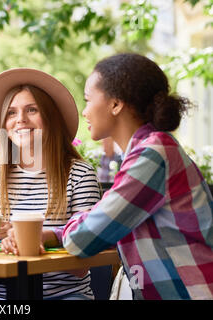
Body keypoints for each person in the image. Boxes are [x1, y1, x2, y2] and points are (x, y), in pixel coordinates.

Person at [58, 53, 213, 299]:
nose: (85, 111)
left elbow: (83, 239)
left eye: (88, 100)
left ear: (116, 104)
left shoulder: (153, 155)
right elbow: (110, 223)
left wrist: (62, 233)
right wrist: (52, 235)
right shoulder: (149, 150)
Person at [0, 68, 101, 300]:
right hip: (3, 298)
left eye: (32, 110)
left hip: (66, 296)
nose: (20, 120)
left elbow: (81, 266)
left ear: (51, 117)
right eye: (11, 113)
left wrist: (31, 242)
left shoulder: (80, 174)